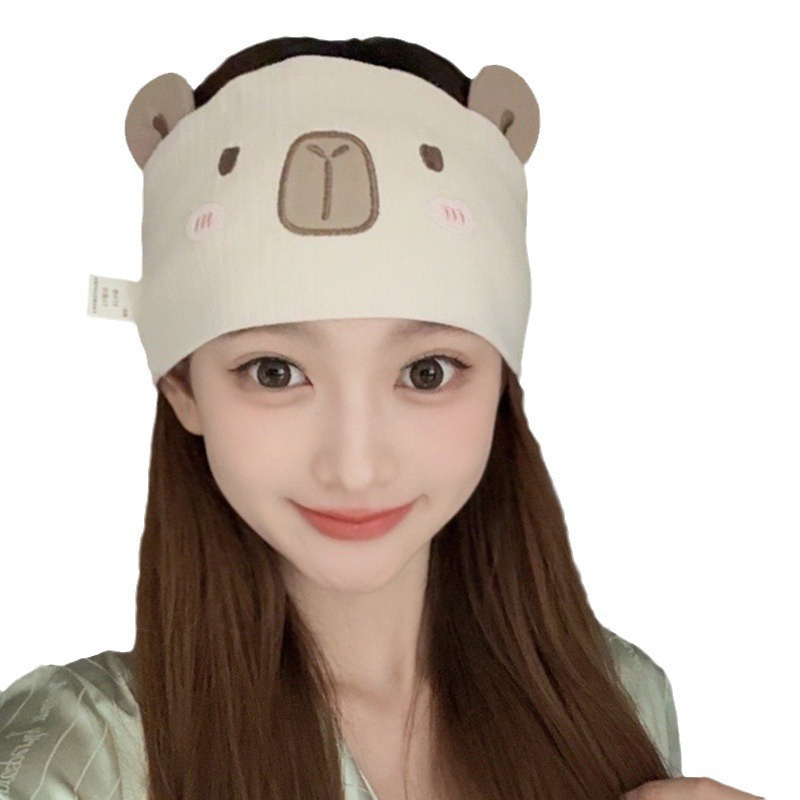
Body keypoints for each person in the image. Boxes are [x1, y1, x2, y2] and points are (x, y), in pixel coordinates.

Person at [0, 36, 764, 800]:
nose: (357, 466)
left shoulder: (621, 700)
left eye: (427, 372)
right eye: (274, 372)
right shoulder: (75, 759)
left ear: (502, 381)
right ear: (182, 388)